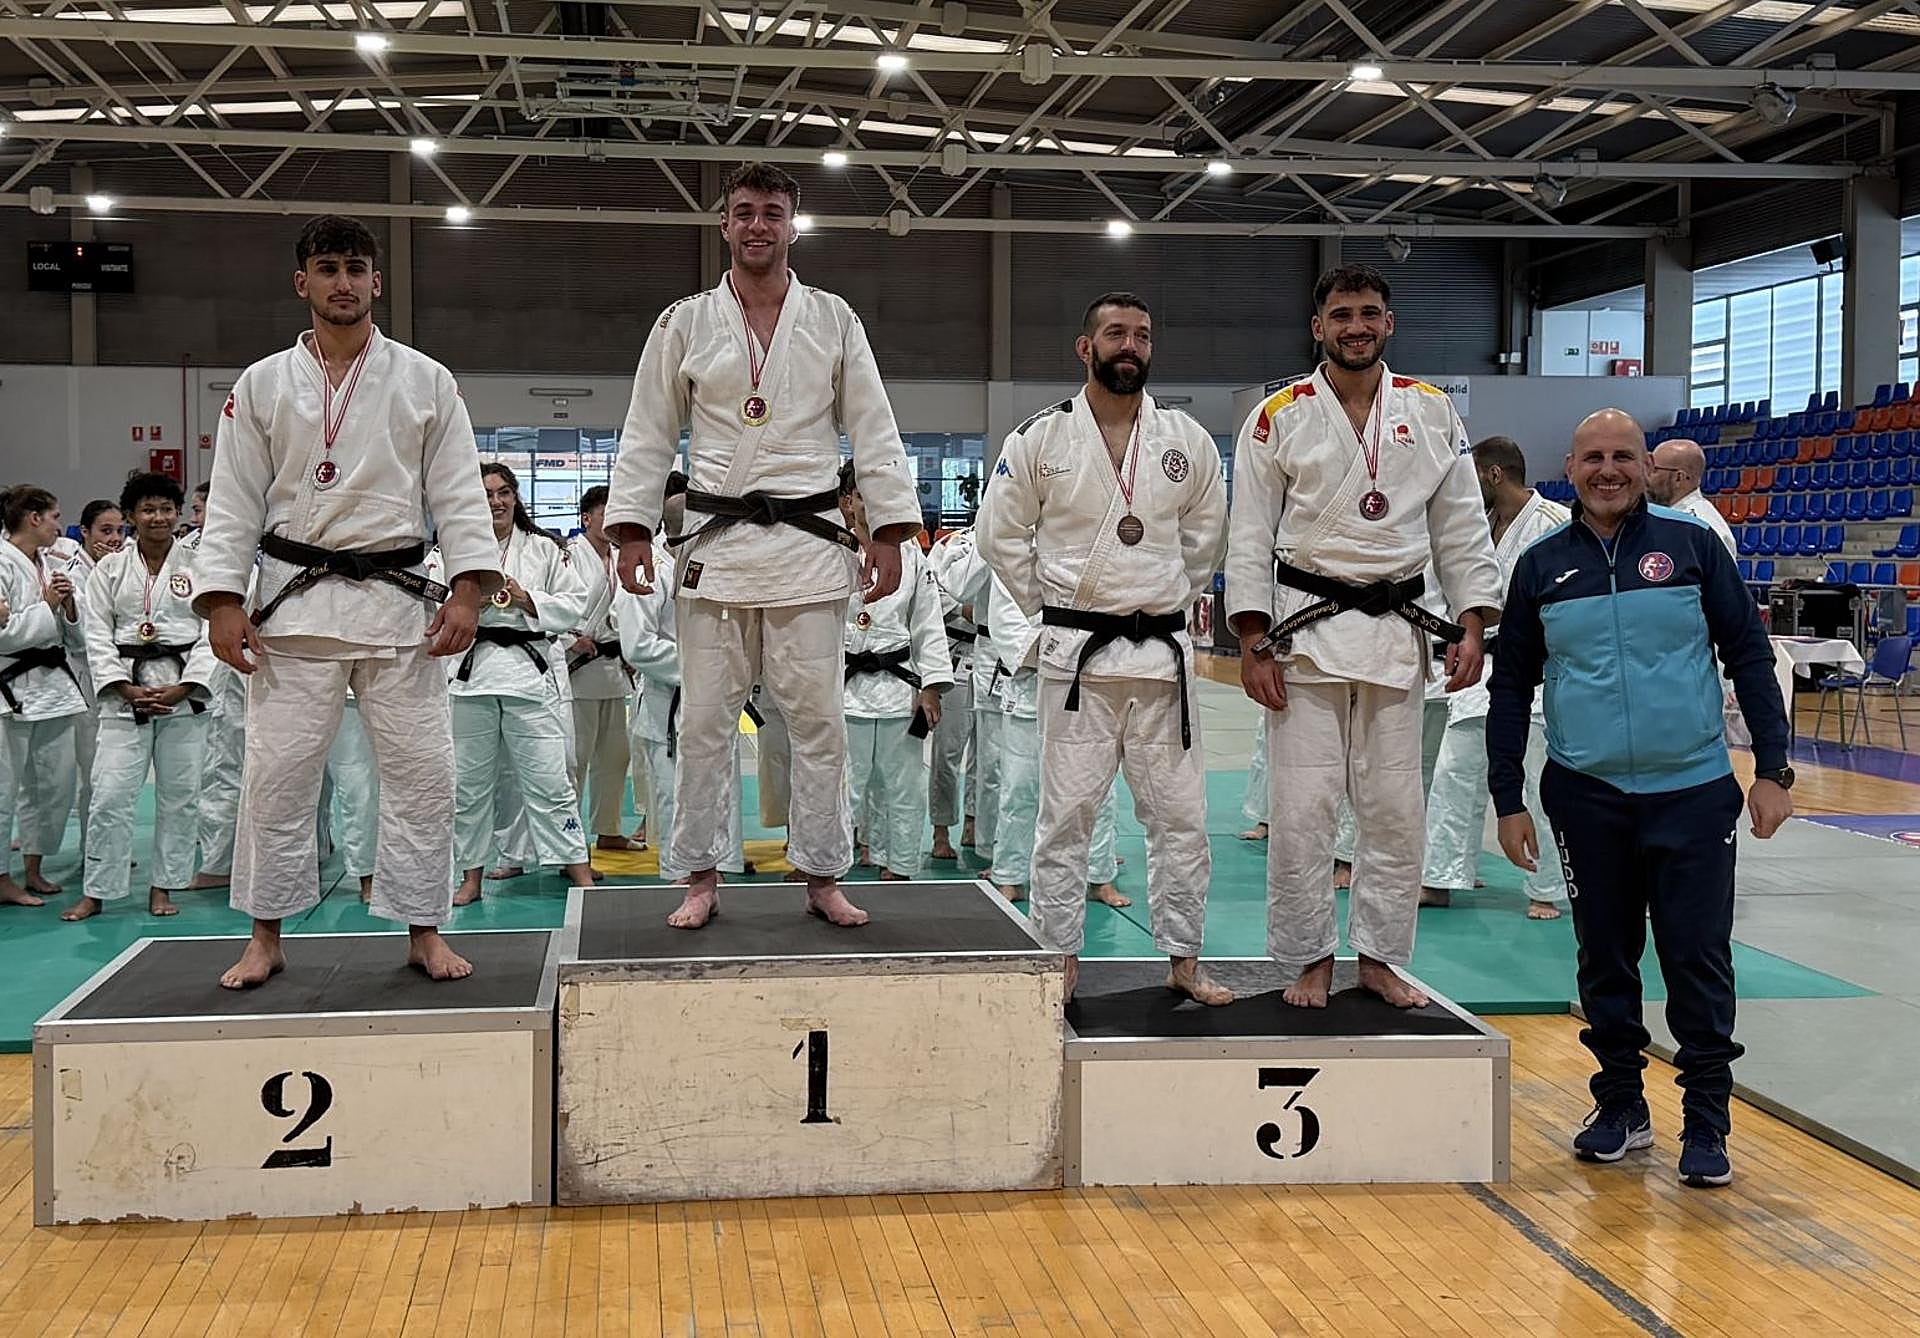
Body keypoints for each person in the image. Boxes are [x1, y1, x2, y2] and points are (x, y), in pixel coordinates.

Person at [605, 161, 922, 930]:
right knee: (703, 724)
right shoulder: (683, 321)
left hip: (809, 549)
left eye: (772, 213)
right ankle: (700, 874)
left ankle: (822, 872)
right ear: (724, 224)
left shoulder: (833, 318)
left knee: (818, 724)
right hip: (717, 549)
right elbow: (648, 429)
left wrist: (887, 529)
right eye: (744, 211)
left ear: (792, 226)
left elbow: (874, 426)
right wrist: (632, 526)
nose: (757, 225)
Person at [1488, 407, 1793, 1189]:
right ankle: (1621, 1102)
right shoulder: (1542, 566)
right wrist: (1507, 796)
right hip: (1586, 794)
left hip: (1692, 790)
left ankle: (1707, 1120)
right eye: (1593, 457)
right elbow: (1511, 682)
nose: (1608, 470)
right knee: (1605, 958)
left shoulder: (1693, 548)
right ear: (1570, 466)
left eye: (1623, 455)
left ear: (1647, 465)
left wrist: (1772, 768)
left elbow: (1749, 654)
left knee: (1697, 958)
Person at [194, 213, 501, 989]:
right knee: (277, 776)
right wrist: (223, 600)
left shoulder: (426, 380)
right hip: (294, 607)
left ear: (376, 281)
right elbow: (233, 500)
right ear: (303, 281)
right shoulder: (262, 383)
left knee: (423, 774)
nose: (343, 282)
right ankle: (265, 935)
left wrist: (468, 591)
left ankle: (424, 929)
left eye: (356, 269)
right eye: (328, 269)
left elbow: (460, 494)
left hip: (400, 607)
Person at [1225, 264, 1503, 1009]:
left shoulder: (1432, 410)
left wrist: (1473, 620)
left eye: (1369, 313)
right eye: (1342, 315)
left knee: (1395, 811)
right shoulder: (1278, 415)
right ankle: (1309, 956)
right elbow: (1249, 533)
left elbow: (1461, 525)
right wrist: (1251, 638)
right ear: (1319, 327)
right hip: (1304, 636)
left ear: (1389, 322)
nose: (1357, 327)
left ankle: (1380, 957)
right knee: (1302, 809)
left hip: (1396, 633)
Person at [978, 291, 1230, 1005]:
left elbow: (1206, 537)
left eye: (1142, 335)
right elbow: (999, 534)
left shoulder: (1186, 439)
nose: (1131, 346)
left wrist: (1165, 594)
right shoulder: (1040, 438)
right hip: (1078, 658)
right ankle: (1059, 958)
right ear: (1085, 348)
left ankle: (1184, 957)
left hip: (1160, 658)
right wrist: (1051, 606)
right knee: (1065, 818)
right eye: (1116, 334)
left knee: (1181, 819)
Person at [1420, 437, 1570, 918]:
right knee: (1454, 773)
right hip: (1479, 667)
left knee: (1538, 782)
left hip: (1534, 671)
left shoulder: (1555, 524)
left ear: (1494, 474)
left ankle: (1546, 886)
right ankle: (1441, 876)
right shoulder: (1480, 525)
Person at [441, 463, 597, 905]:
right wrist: (467, 602)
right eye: (487, 494)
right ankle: (471, 877)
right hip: (470, 679)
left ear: (516, 497)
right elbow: (432, 606)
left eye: (504, 492)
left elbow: (575, 605)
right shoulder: (454, 550)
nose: (496, 501)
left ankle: (578, 868)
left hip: (529, 674)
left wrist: (526, 599)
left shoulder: (545, 548)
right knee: (469, 786)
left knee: (551, 779)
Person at [67, 473, 215, 920]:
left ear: (177, 513)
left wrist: (185, 687)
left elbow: (211, 633)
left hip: (183, 696)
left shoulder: (199, 565)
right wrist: (123, 687)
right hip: (123, 697)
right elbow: (96, 635)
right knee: (109, 795)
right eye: (148, 509)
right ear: (131, 516)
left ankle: (164, 886)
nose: (158, 517)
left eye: (167, 509)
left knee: (181, 796)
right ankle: (97, 889)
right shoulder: (110, 570)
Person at [613, 478, 747, 883]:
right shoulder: (649, 569)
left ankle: (721, 867)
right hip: (668, 702)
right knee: (677, 794)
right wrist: (702, 667)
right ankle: (682, 874)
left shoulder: (717, 562)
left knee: (723, 789)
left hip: (717, 697)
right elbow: (637, 646)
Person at [843, 527, 951, 881]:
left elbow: (928, 622)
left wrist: (931, 686)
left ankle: (900, 863)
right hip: (844, 684)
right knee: (840, 785)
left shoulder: (911, 554)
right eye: (862, 499)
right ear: (849, 502)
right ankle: (827, 865)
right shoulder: (832, 544)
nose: (869, 506)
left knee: (903, 785)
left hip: (900, 684)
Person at [0, 487, 90, 906]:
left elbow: (75, 636)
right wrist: (46, 606)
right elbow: (4, 635)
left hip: (54, 688)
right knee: (4, 790)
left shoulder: (49, 563)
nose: (59, 524)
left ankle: (33, 868)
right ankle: (1, 876)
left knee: (54, 786)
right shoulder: (2, 562)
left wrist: (67, 607)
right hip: (10, 692)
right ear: (33, 518)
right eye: (54, 516)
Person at [566, 484, 637, 853]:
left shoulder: (622, 557)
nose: (613, 524)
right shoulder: (567, 555)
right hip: (579, 670)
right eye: (606, 515)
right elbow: (553, 602)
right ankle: (570, 840)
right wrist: (569, 638)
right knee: (576, 759)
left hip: (613, 668)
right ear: (587, 518)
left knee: (615, 757)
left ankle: (608, 829)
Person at [927, 529, 978, 862]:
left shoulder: (1017, 539)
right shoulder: (952, 544)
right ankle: (941, 829)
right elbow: (930, 590)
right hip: (956, 657)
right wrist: (962, 608)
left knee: (987, 756)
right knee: (947, 752)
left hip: (997, 657)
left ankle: (975, 822)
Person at [1648, 438, 1736, 557]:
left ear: (1678, 477)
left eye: (1654, 470)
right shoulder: (1670, 517)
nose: (1646, 476)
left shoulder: (1701, 527)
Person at [78, 501, 125, 566]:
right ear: (85, 531)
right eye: (107, 531)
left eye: (120, 531)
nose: (116, 538)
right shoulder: (70, 571)